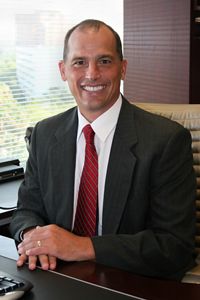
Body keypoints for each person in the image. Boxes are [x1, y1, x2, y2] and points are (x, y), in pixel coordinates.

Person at [10, 19, 197, 280]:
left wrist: (81, 247)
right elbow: (26, 211)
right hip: (58, 277)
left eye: (105, 61)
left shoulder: (166, 141)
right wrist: (32, 236)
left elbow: (175, 247)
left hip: (130, 281)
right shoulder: (44, 133)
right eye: (79, 63)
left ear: (123, 68)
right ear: (63, 70)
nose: (91, 74)